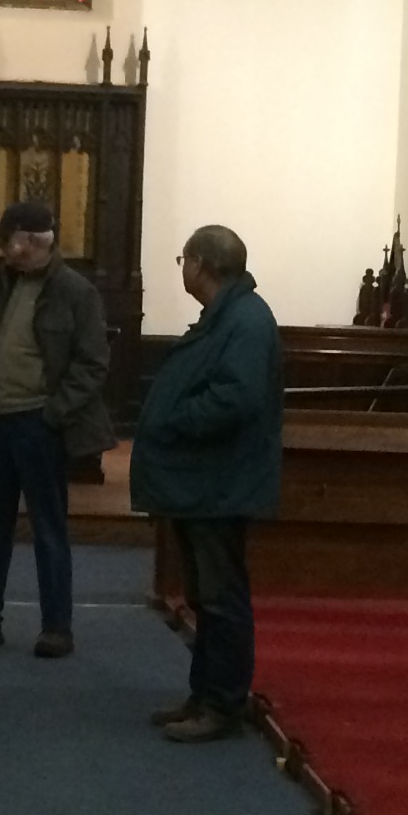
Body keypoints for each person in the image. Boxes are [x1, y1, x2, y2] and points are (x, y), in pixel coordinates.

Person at [0, 198, 114, 658]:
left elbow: (93, 364)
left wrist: (54, 414)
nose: (2, 248)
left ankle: (57, 627)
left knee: (48, 529)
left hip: (40, 425)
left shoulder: (76, 292)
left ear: (32, 241)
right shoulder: (6, 283)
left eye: (8, 239)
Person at [129, 224, 282, 741]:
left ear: (201, 264)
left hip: (220, 483)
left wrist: (174, 420)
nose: (183, 269)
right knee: (205, 597)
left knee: (221, 598)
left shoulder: (246, 320)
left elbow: (236, 398)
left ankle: (222, 705)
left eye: (184, 260)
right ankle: (203, 696)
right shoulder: (227, 316)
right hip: (205, 483)